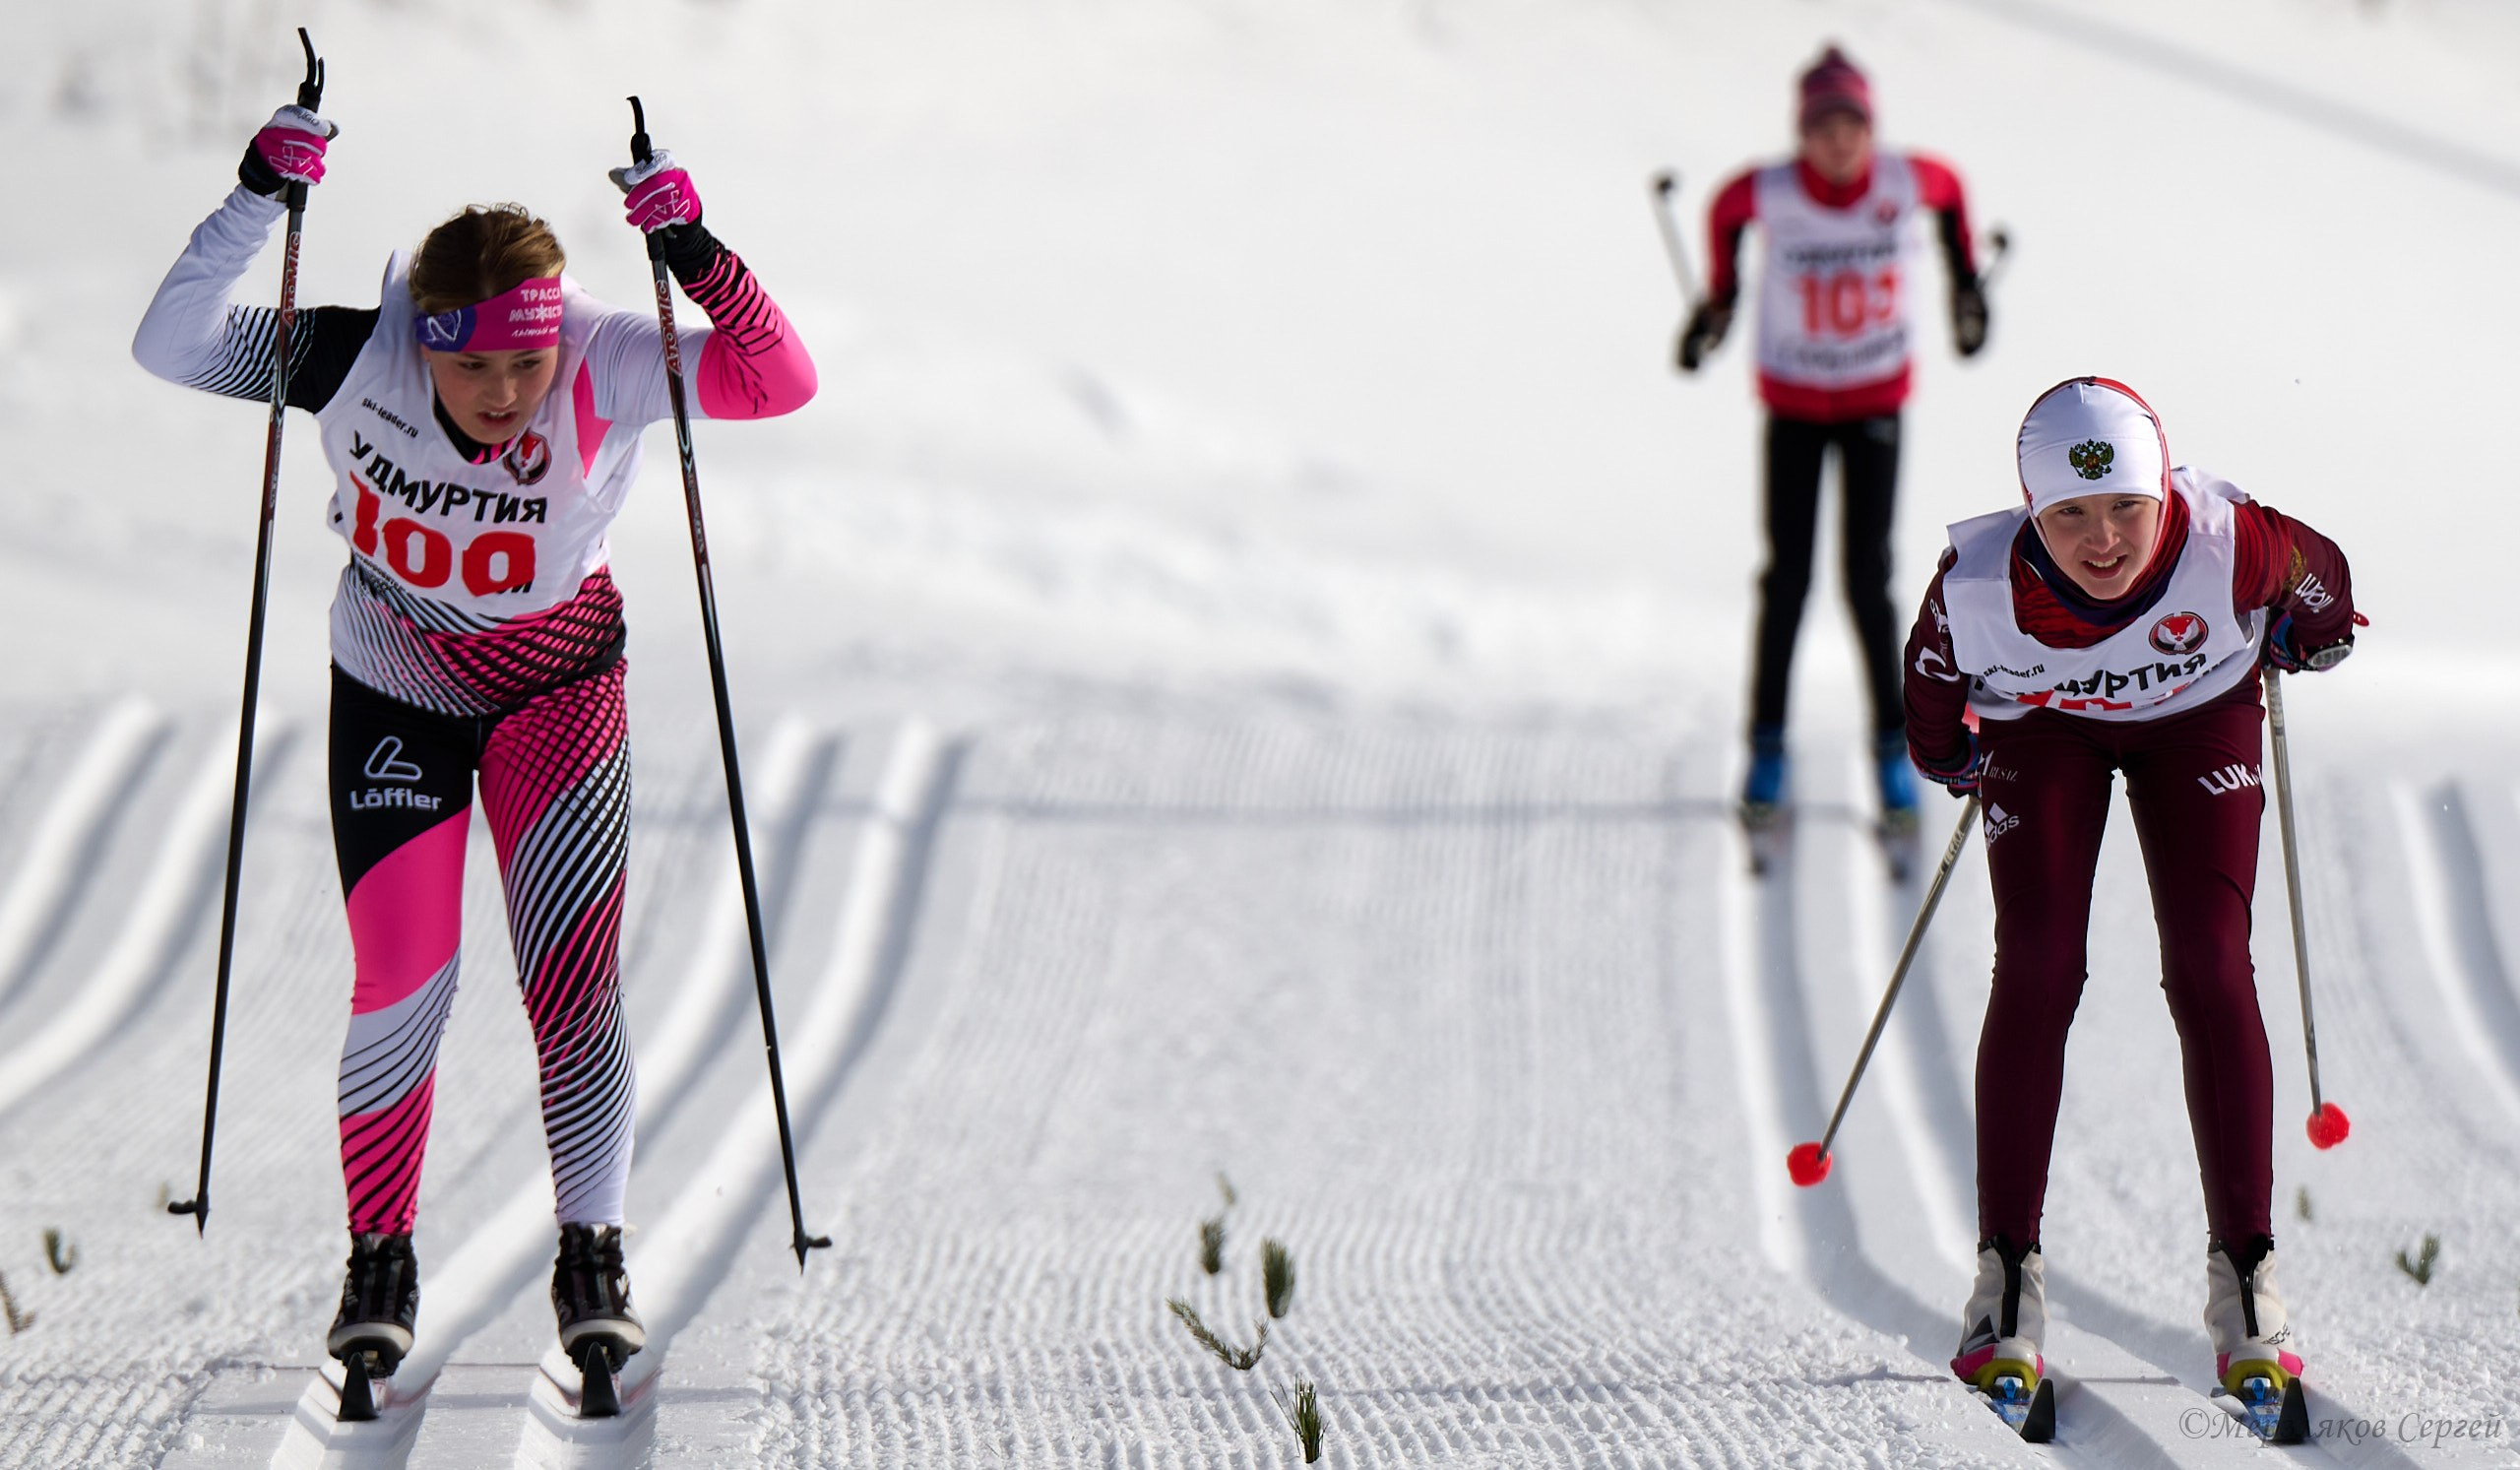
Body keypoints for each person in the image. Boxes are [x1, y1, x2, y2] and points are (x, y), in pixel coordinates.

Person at [133, 100, 816, 1387]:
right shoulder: (352, 360)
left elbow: (779, 381)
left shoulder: (608, 360)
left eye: (525, 365)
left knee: (572, 987)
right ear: (424, 345)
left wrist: (698, 251)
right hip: (395, 689)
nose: (506, 396)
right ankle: (379, 1257)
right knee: (403, 982)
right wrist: (249, 199)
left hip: (557, 691)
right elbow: (170, 343)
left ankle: (591, 1251)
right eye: (472, 369)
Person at [1902, 377, 2357, 1407]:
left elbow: (2322, 588)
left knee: (2207, 958)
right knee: (2039, 961)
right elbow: (1928, 702)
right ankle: (2003, 1282)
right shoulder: (1972, 590)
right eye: (2067, 513)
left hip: (2197, 715)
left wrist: (2306, 635)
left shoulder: (2233, 540)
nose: (2100, 539)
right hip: (2044, 732)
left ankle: (2247, 1283)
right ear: (2029, 509)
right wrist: (1956, 760)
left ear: (2164, 497)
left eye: (2125, 509)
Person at [1676, 43, 1989, 833]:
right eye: (1823, 126)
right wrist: (1717, 304)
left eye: (1851, 124)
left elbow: (1953, 193)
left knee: (1868, 579)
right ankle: (1767, 747)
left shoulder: (1902, 180)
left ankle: (1895, 749)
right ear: (1802, 132)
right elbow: (1722, 214)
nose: (1839, 142)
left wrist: (1965, 282)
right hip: (1793, 402)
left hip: (1875, 399)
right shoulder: (1771, 190)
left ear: (1870, 128)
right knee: (1785, 580)